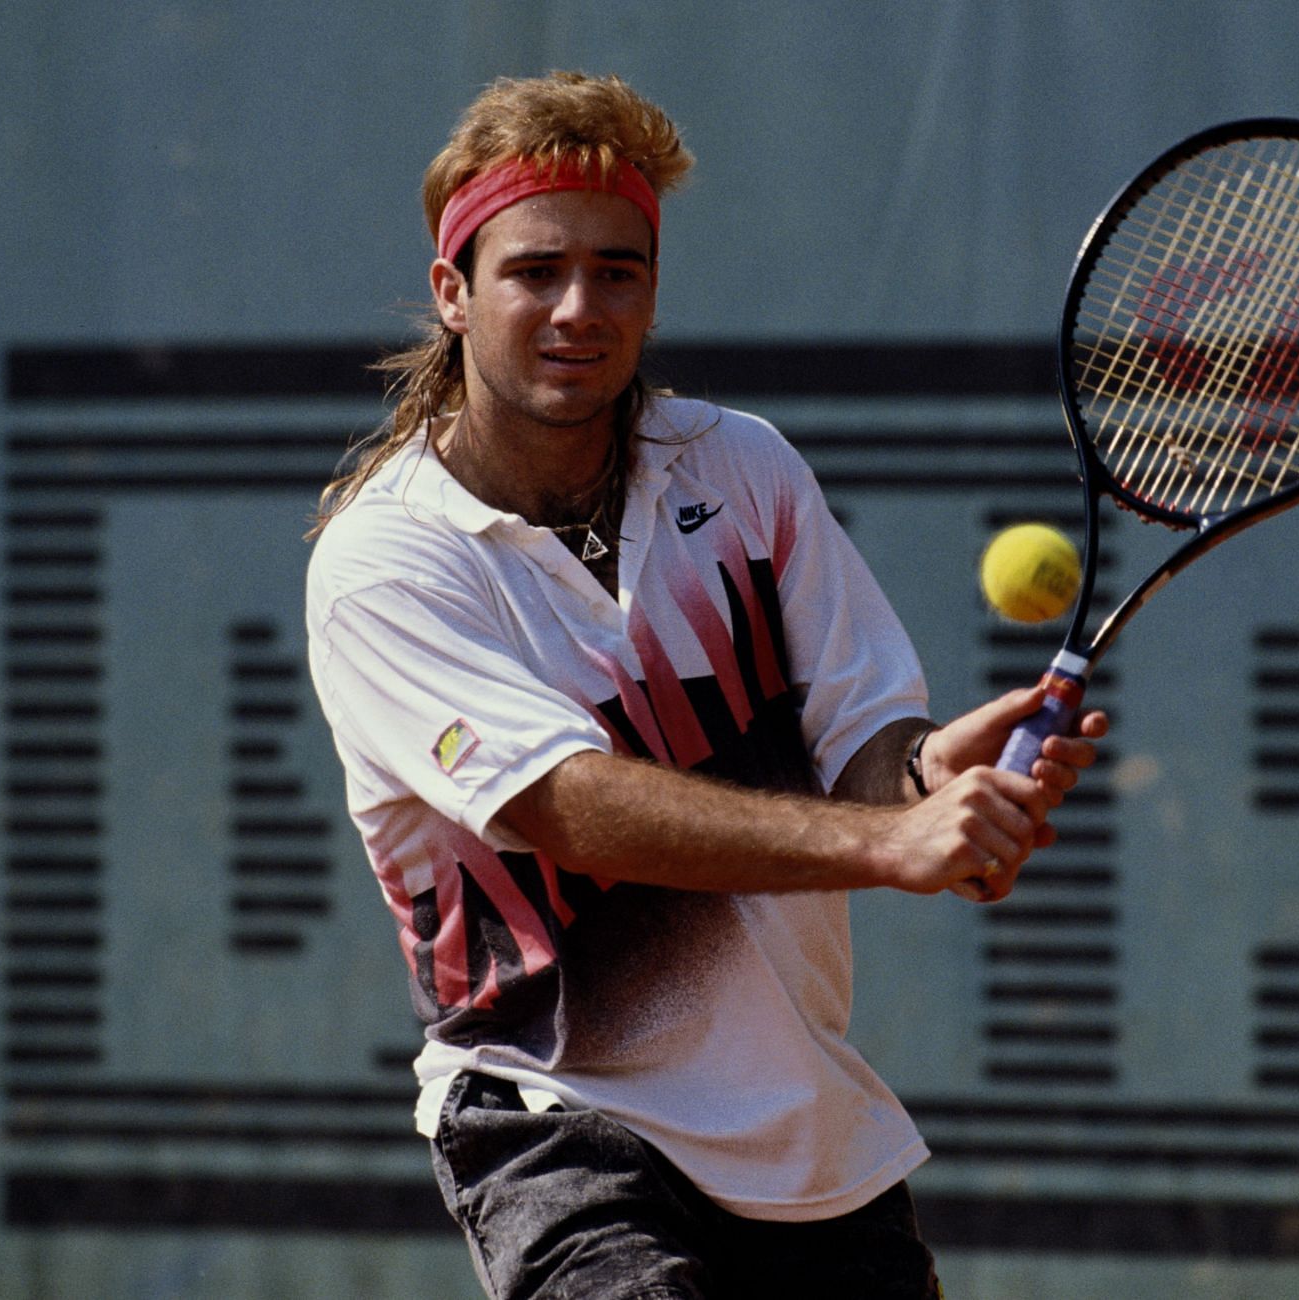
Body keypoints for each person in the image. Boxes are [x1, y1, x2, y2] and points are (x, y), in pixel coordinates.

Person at [305, 71, 1106, 1299]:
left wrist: (935, 777)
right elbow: (561, 807)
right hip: (560, 1113)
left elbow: (864, 737)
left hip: (808, 1129)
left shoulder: (742, 469)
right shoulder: (386, 562)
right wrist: (892, 841)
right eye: (536, 270)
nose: (580, 307)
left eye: (618, 271)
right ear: (453, 294)